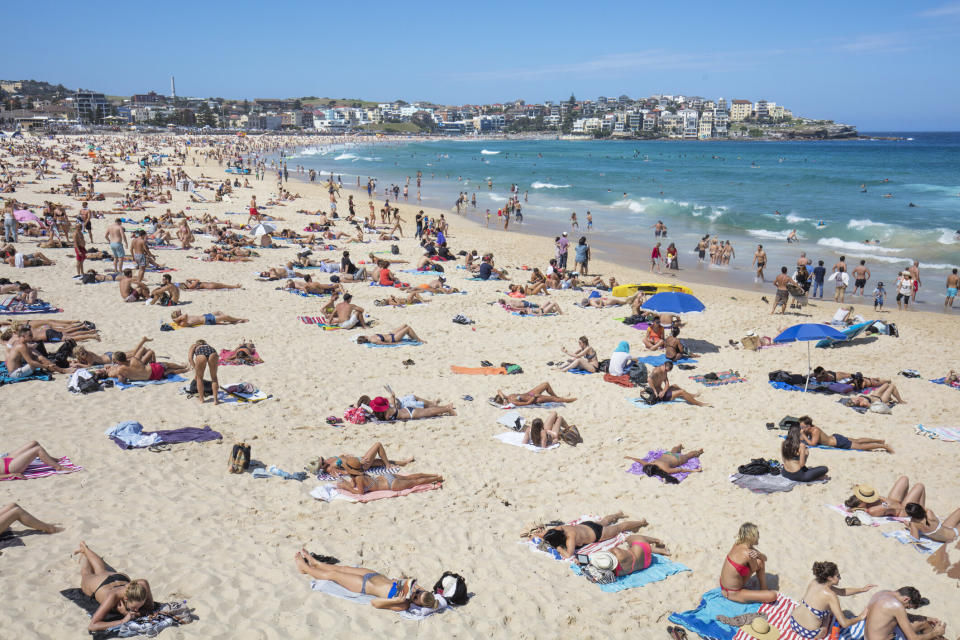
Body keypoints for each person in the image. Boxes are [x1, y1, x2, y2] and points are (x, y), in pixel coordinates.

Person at [293, 550, 438, 612]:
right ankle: (315, 562)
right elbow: (423, 592)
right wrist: (410, 585)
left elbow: (375, 603)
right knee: (343, 568)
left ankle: (305, 568)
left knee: (334, 574)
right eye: (419, 592)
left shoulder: (403, 604)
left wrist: (394, 601)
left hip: (364, 586)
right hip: (374, 575)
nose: (416, 593)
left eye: (417, 597)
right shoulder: (414, 590)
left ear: (418, 604)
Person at [75, 541, 155, 632]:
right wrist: (122, 620)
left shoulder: (143, 584)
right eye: (134, 608)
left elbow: (150, 608)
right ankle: (84, 552)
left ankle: (86, 549)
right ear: (125, 599)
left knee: (101, 570)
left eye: (139, 606)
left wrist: (126, 612)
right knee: (86, 574)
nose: (137, 610)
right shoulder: (113, 596)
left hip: (120, 578)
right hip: (99, 584)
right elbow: (92, 625)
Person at [788, 561, 874, 638]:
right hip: (810, 632)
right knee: (828, 613)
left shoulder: (814, 582)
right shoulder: (831, 595)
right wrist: (860, 617)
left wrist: (862, 589)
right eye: (838, 576)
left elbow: (842, 591)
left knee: (822, 609)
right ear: (829, 578)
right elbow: (844, 623)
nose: (840, 578)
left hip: (793, 621)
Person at [536, 512, 647, 559]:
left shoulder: (570, 538)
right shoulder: (558, 529)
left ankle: (641, 523)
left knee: (620, 528)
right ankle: (618, 514)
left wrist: (559, 548)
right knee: (604, 521)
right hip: (587, 525)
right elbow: (545, 534)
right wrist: (538, 535)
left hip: (596, 534)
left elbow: (569, 554)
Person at [719, 523, 777, 603]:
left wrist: (758, 554)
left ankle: (764, 588)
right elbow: (755, 567)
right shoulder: (747, 553)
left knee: (760, 561)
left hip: (725, 586)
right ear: (751, 537)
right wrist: (757, 557)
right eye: (757, 534)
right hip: (732, 593)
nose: (759, 537)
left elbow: (764, 558)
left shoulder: (738, 544)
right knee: (772, 596)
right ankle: (764, 590)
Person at [862, 587, 944, 640]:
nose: (905, 609)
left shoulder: (883, 593)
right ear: (906, 599)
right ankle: (939, 637)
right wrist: (935, 633)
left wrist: (925, 618)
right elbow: (913, 638)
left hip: (868, 636)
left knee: (922, 620)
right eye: (907, 607)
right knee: (924, 624)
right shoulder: (897, 607)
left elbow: (896, 614)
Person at [314, 443, 414, 478]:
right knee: (378, 445)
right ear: (321, 468)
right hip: (361, 465)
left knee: (381, 460)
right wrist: (358, 466)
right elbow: (346, 472)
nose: (324, 461)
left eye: (322, 459)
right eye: (322, 463)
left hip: (359, 459)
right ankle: (388, 466)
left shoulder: (328, 461)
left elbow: (341, 460)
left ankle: (404, 462)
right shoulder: (331, 469)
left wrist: (342, 456)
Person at [799, 416, 893, 453]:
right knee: (857, 440)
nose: (801, 429)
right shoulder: (810, 429)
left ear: (808, 426)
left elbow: (813, 444)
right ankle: (878, 440)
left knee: (860, 446)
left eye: (803, 427)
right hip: (835, 437)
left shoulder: (815, 431)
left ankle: (883, 446)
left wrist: (803, 436)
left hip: (838, 442)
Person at [844, 476, 925, 517]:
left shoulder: (867, 503)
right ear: (861, 504)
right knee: (919, 486)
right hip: (903, 510)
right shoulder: (872, 510)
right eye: (863, 499)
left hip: (893, 500)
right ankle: (922, 513)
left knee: (904, 479)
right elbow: (889, 506)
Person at [625, 445, 703, 484]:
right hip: (667, 454)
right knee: (674, 450)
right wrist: (631, 458)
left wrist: (695, 470)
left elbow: (681, 469)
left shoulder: (666, 470)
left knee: (688, 456)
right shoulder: (651, 463)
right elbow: (640, 461)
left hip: (678, 459)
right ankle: (679, 446)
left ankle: (698, 452)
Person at [106, 352, 189, 384]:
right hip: (154, 370)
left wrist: (124, 377)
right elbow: (142, 365)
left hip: (152, 377)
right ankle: (183, 366)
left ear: (117, 361)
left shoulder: (119, 370)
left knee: (169, 372)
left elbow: (122, 381)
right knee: (167, 364)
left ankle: (184, 369)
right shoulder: (133, 360)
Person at [336, 471, 443, 495]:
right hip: (386, 476)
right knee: (410, 477)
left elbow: (360, 493)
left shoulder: (357, 478)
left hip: (391, 484)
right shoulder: (359, 473)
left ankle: (436, 478)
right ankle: (435, 475)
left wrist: (346, 487)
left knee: (415, 482)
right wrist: (345, 484)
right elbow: (352, 485)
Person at [0, 441, 65, 479]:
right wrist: (9, 475)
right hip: (9, 467)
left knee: (34, 443)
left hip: (6, 459)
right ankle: (58, 467)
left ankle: (50, 459)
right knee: (38, 449)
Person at [367, 394, 456, 421]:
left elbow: (387, 419)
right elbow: (393, 406)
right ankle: (446, 407)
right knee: (429, 411)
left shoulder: (385, 414)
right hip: (406, 410)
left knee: (429, 411)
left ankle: (447, 409)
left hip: (409, 414)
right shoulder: (388, 408)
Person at [188, 340, 219, 405]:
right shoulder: (208, 346)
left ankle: (201, 399)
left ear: (197, 343)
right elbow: (217, 355)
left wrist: (195, 368)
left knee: (199, 378)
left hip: (200, 354)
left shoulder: (194, 345)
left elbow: (190, 358)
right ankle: (215, 400)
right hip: (212, 353)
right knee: (214, 378)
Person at [493, 382, 575, 406]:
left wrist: (503, 398)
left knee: (545, 384)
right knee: (554, 400)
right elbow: (526, 403)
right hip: (535, 399)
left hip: (529, 393)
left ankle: (557, 396)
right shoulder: (512, 402)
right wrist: (535, 397)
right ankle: (569, 400)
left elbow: (498, 390)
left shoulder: (507, 397)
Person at [356, 324, 422, 345]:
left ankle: (413, 337)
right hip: (394, 338)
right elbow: (384, 343)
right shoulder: (373, 340)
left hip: (391, 334)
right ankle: (418, 340)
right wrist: (396, 343)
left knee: (405, 325)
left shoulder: (370, 336)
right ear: (364, 337)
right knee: (408, 328)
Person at [170, 310, 248, 327]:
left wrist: (177, 317)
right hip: (207, 320)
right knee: (225, 316)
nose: (180, 313)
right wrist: (176, 319)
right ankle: (238, 319)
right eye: (178, 313)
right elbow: (185, 315)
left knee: (218, 311)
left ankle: (229, 320)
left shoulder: (182, 319)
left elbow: (184, 315)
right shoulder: (182, 322)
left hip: (205, 316)